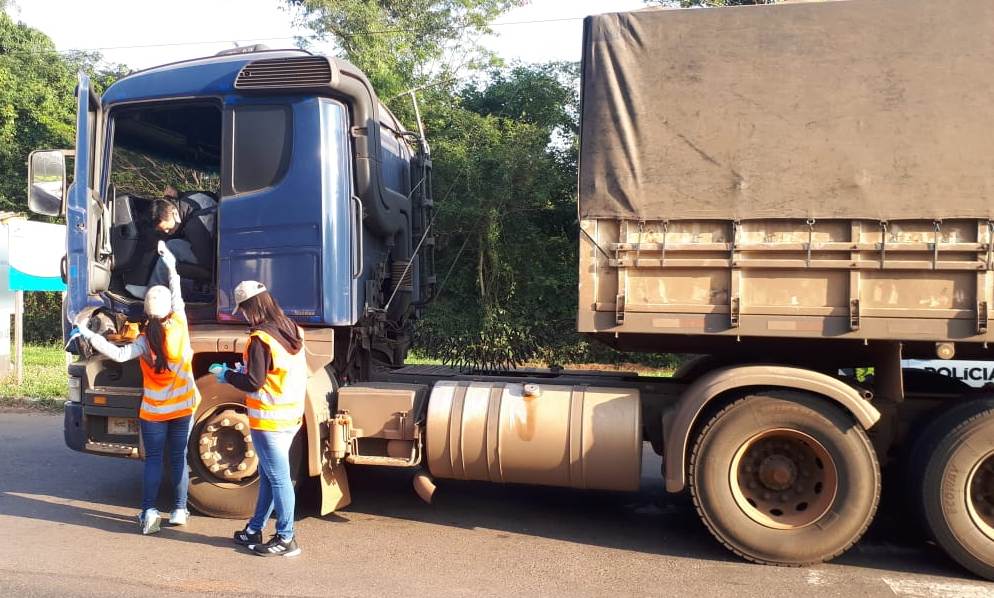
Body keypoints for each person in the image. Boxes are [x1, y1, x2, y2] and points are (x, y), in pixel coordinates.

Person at [76, 242, 200, 534]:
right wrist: (169, 262)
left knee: (154, 461)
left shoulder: (145, 341)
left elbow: (118, 354)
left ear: (146, 311)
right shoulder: (180, 324)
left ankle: (148, 510)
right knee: (178, 457)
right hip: (183, 408)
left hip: (154, 412)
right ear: (169, 308)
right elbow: (177, 289)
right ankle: (180, 510)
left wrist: (88, 334)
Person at [213, 280, 306, 558]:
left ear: (250, 307)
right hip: (289, 415)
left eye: (242, 309)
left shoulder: (260, 339)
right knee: (268, 477)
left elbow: (254, 382)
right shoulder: (291, 329)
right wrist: (243, 368)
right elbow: (276, 371)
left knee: (279, 480)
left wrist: (227, 375)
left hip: (269, 419)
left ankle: (287, 538)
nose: (242, 315)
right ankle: (254, 529)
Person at [127, 185, 217, 298]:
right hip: (211, 236)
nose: (166, 231)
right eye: (163, 230)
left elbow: (207, 266)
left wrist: (174, 267)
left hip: (213, 256)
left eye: (168, 228)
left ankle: (152, 293)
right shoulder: (190, 198)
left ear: (174, 213)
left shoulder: (195, 227)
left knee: (170, 247)